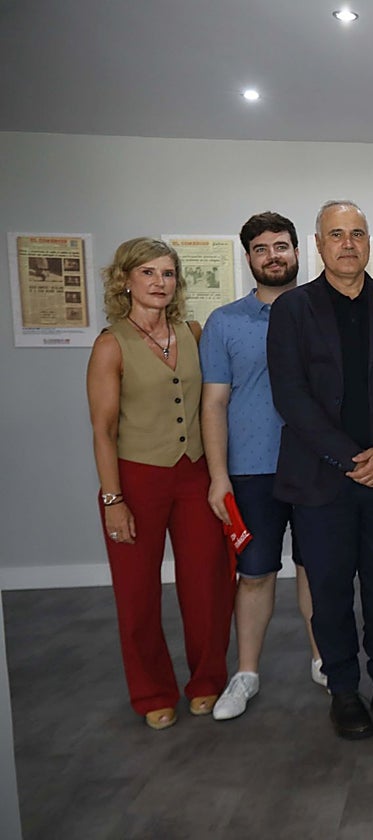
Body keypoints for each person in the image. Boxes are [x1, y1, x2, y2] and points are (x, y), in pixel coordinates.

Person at [267, 200, 373, 740]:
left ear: (368, 241)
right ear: (318, 244)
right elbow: (291, 396)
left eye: (356, 233)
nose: (347, 243)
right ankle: (343, 690)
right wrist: (349, 457)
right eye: (335, 234)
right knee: (332, 591)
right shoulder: (293, 309)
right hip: (321, 480)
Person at [86, 237, 234, 730]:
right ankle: (152, 691)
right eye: (148, 273)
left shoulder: (192, 331)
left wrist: (218, 476)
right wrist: (114, 500)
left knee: (208, 584)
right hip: (136, 477)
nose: (159, 283)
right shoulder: (111, 344)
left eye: (167, 274)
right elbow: (103, 430)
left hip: (195, 475)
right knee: (136, 593)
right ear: (125, 280)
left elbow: (214, 405)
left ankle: (208, 680)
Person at [200, 212, 324, 722]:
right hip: (251, 471)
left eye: (281, 246)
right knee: (254, 574)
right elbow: (213, 404)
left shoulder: (322, 312)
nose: (273, 256)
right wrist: (218, 476)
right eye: (261, 248)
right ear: (248, 257)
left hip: (316, 466)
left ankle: (326, 660)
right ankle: (246, 672)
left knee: (316, 569)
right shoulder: (225, 322)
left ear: (298, 251)